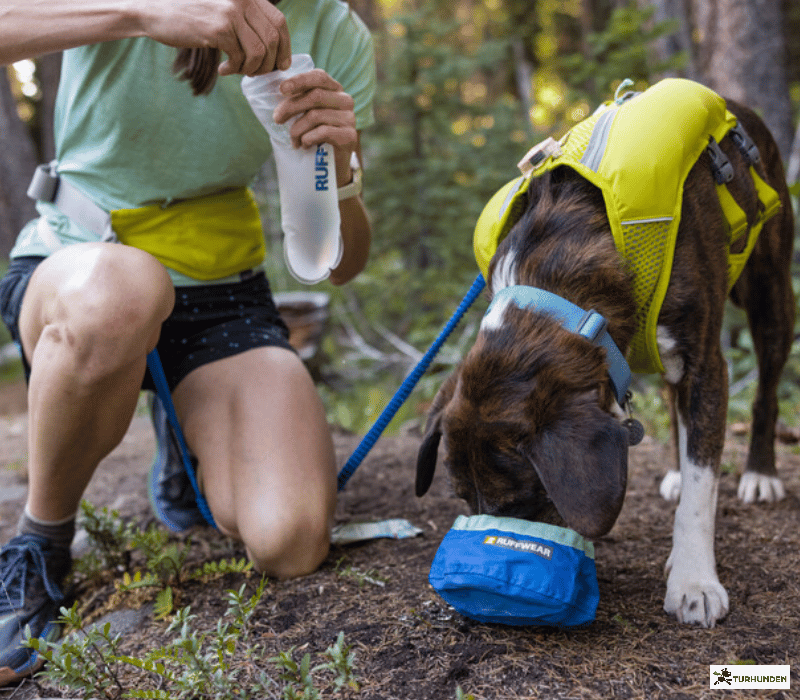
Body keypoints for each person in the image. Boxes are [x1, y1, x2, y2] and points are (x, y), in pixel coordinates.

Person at [0, 0, 375, 685]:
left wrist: (340, 167)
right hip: (82, 265)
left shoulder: (334, 28)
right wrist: (141, 14)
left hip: (222, 289)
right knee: (123, 293)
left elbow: (344, 265)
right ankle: (40, 541)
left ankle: (185, 443)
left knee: (290, 539)